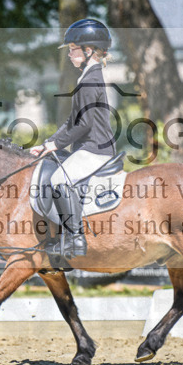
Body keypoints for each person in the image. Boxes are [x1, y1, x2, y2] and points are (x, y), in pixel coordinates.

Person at [30, 18, 116, 259]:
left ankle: (76, 240)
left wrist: (56, 144)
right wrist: (47, 144)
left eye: (72, 49)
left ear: (89, 50)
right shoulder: (87, 77)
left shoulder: (90, 79)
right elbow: (72, 121)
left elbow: (84, 123)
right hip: (88, 147)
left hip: (95, 149)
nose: (69, 54)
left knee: (60, 180)